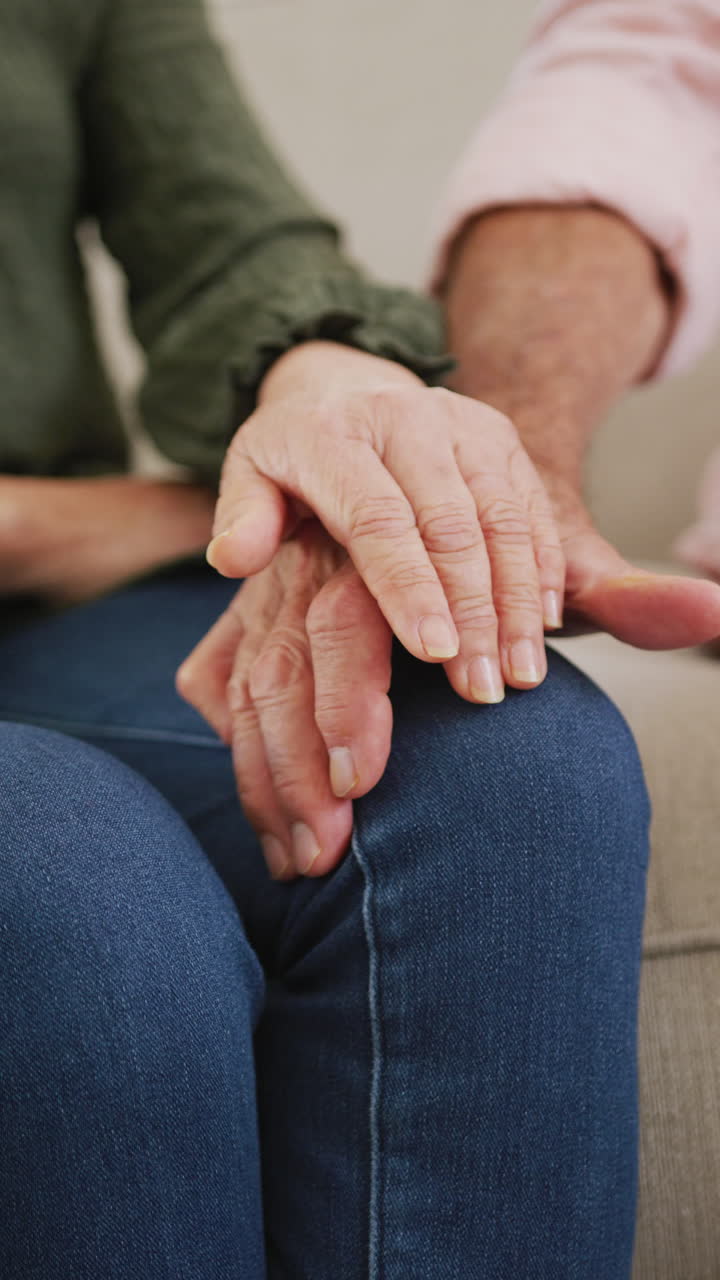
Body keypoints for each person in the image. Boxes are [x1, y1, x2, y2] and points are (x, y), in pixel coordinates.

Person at [2, 4, 719, 1280]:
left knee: (509, 761)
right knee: (70, 883)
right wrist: (111, 517)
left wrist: (339, 394)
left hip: (64, 618)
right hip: (76, 568)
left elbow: (237, 255)